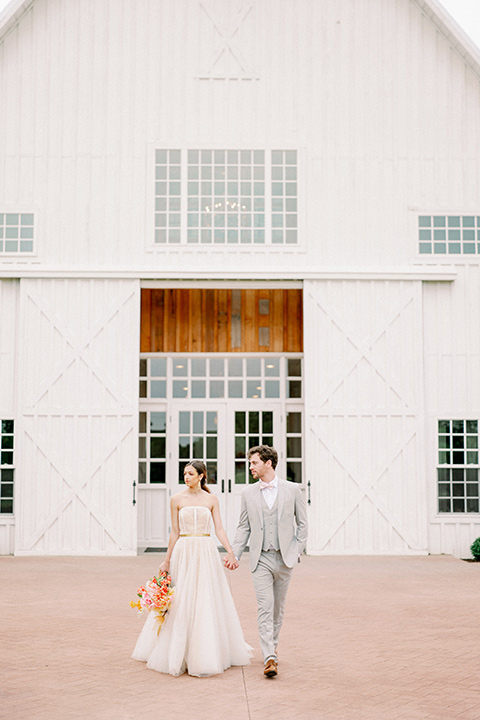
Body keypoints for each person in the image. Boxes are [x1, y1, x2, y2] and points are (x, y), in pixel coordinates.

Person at [132, 460, 251, 677]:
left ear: (201, 475)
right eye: (184, 473)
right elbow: (174, 532)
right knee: (181, 598)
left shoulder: (211, 499)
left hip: (205, 550)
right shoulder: (176, 499)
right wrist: (166, 560)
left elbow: (219, 529)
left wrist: (230, 551)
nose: (186, 477)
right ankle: (176, 650)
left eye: (190, 473)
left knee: (206, 596)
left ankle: (205, 651)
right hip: (184, 550)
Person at [225, 445, 307, 678]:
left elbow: (303, 525)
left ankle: (273, 647)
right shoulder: (248, 493)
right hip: (260, 558)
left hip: (285, 558)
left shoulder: (292, 490)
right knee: (265, 606)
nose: (250, 466)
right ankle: (269, 656)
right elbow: (244, 526)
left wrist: (296, 550)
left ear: (268, 463)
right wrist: (236, 553)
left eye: (254, 463)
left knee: (278, 609)